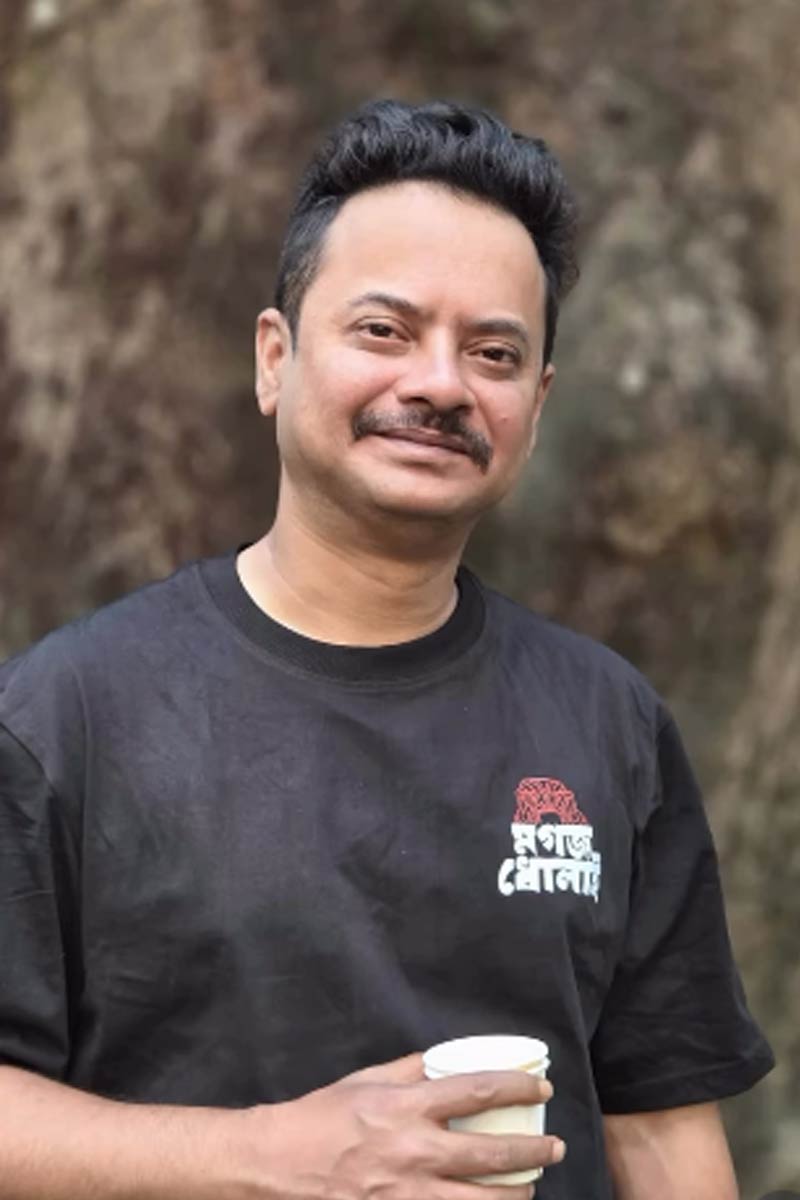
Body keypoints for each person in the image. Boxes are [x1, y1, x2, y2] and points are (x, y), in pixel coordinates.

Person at [0, 99, 773, 1200]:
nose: (441, 385)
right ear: (275, 359)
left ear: (536, 403)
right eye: (384, 331)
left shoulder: (608, 720)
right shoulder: (66, 717)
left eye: (493, 353)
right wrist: (273, 1158)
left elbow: (662, 1124)